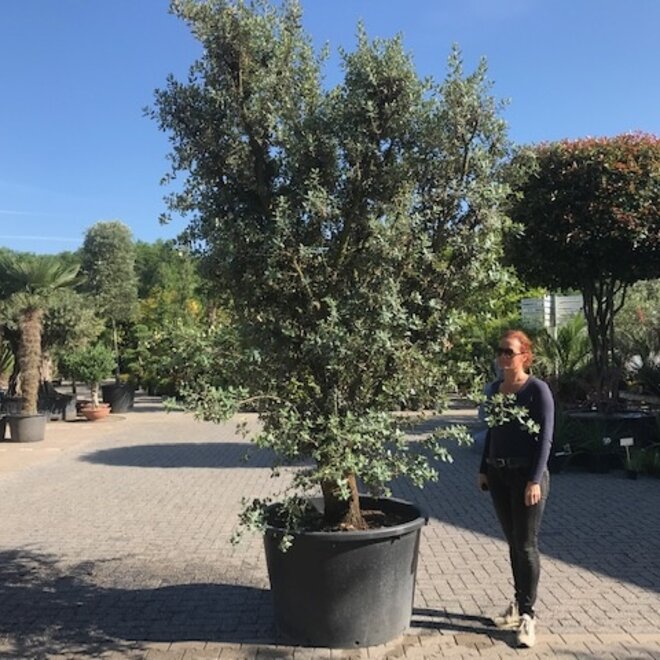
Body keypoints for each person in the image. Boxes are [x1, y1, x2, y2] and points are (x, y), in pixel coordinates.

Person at [478, 330, 554, 648]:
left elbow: (546, 438)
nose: (502, 357)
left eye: (509, 351)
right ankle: (518, 602)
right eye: (500, 351)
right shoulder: (496, 389)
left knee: (525, 545)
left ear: (525, 355)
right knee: (512, 543)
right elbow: (492, 432)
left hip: (526, 477)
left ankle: (528, 615)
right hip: (498, 476)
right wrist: (484, 468)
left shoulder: (538, 390)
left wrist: (534, 479)